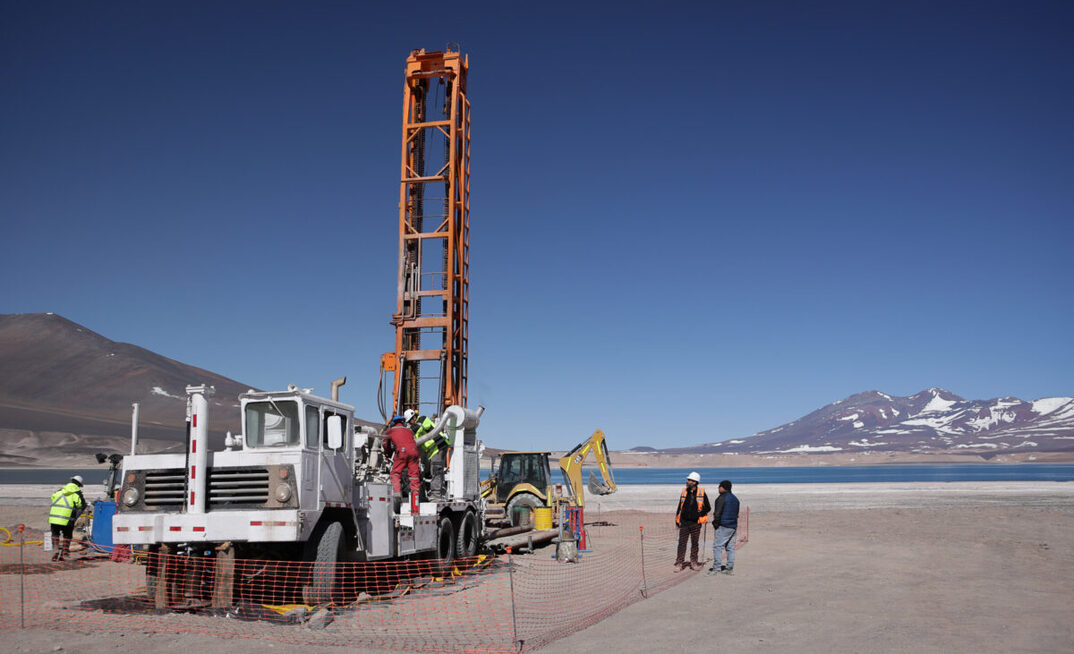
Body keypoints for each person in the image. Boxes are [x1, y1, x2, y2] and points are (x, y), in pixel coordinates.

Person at [673, 471, 710, 571]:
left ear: (695, 482)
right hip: (684, 523)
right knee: (681, 544)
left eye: (689, 480)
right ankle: (679, 563)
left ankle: (693, 563)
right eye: (688, 480)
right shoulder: (684, 492)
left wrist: (699, 514)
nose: (687, 481)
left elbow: (708, 507)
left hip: (695, 523)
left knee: (694, 544)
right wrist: (677, 521)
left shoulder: (701, 493)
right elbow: (679, 507)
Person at [49, 475, 85, 561]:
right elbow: (81, 505)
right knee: (67, 535)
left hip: (54, 518)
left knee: (55, 535)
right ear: (79, 485)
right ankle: (65, 552)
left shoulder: (60, 491)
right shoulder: (77, 493)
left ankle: (55, 551)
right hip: (67, 519)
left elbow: (53, 498)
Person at [383, 416, 421, 500]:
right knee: (414, 474)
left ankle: (397, 492)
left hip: (402, 452)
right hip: (414, 452)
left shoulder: (390, 431)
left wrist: (388, 454)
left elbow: (385, 444)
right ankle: (415, 493)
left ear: (392, 423)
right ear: (403, 422)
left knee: (395, 473)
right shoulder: (409, 431)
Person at [708, 479, 740, 575]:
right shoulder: (735, 499)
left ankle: (716, 568)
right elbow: (737, 513)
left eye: (720, 486)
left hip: (723, 526)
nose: (718, 488)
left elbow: (717, 513)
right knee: (730, 548)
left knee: (717, 546)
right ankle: (729, 568)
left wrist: (715, 524)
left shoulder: (721, 498)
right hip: (733, 526)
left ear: (723, 488)